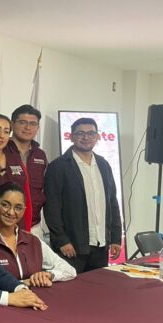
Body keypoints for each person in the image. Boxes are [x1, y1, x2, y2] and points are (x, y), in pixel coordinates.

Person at [44, 117, 122, 273]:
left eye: (91, 133)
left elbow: (112, 203)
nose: (86, 137)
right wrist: (61, 240)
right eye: (80, 133)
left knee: (99, 286)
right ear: (71, 136)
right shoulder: (58, 166)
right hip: (72, 247)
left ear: (97, 136)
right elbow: (52, 207)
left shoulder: (104, 165)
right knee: (71, 287)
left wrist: (115, 238)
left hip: (101, 245)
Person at [0, 182, 76, 286]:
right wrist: (22, 284)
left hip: (36, 296)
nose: (11, 212)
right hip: (5, 297)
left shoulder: (32, 241)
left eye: (18, 208)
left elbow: (70, 270)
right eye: (5, 205)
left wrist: (48, 275)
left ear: (24, 210)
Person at [3, 105, 48, 235]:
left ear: (37, 127)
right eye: (23, 122)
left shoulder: (40, 155)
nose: (28, 127)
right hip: (6, 225)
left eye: (33, 124)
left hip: (34, 226)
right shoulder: (1, 150)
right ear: (12, 124)